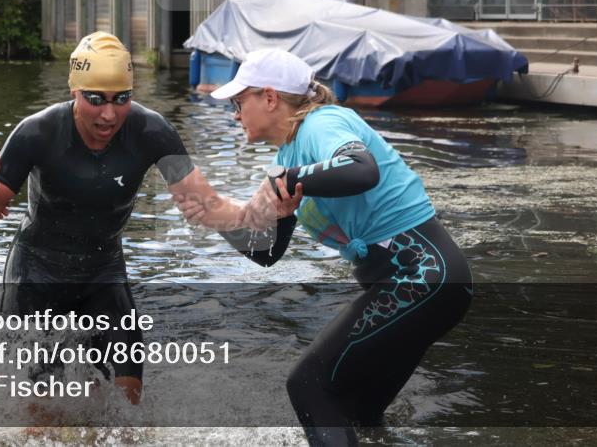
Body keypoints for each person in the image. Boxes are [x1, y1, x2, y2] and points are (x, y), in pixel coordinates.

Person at [176, 48, 472, 447]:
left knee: (309, 385)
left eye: (238, 101)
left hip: (420, 276)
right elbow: (266, 254)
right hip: (420, 284)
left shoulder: (322, 123)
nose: (234, 114)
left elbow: (361, 168)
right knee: (358, 414)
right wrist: (213, 217)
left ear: (269, 97)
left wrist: (283, 182)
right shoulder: (288, 157)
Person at [0, 32, 248, 408]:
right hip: (39, 275)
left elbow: (206, 203)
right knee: (43, 413)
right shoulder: (36, 132)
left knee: (124, 404)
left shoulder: (151, 131)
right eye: (96, 99)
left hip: (103, 273)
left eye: (121, 99)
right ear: (75, 91)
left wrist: (265, 209)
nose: (109, 114)